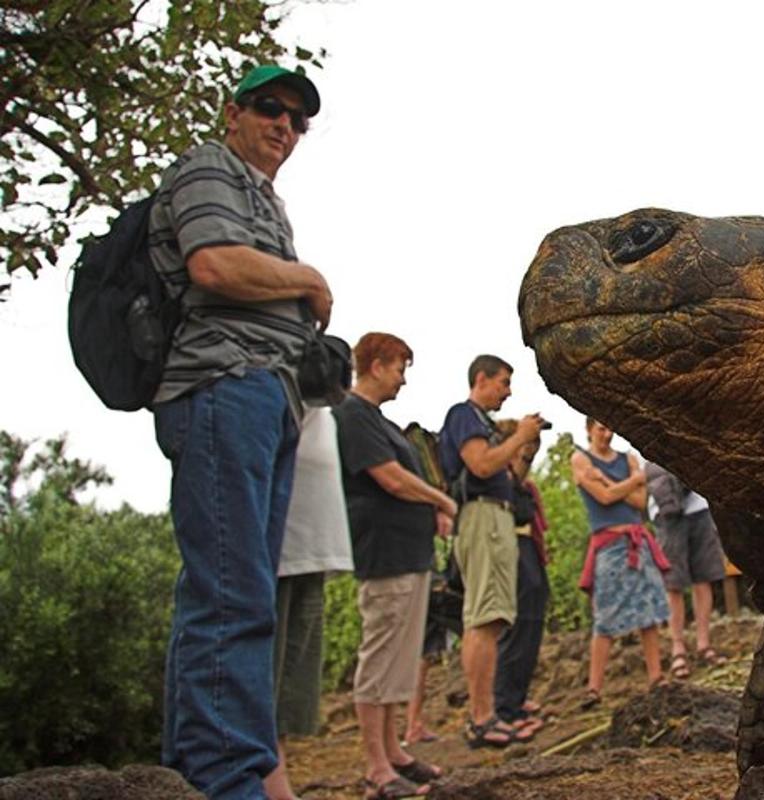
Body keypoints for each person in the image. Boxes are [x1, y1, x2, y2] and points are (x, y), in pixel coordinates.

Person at [148, 63, 332, 799]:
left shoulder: (267, 199)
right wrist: (310, 281)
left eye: (298, 119)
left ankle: (208, 766)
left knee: (233, 586)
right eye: (270, 108)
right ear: (233, 113)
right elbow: (216, 265)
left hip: (268, 396)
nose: (284, 125)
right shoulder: (206, 167)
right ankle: (228, 778)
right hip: (223, 387)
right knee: (234, 591)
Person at [333, 333, 455, 799]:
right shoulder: (351, 414)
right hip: (383, 553)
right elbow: (389, 478)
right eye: (400, 367)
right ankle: (376, 765)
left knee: (400, 658)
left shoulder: (377, 420)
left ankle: (394, 752)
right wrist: (440, 497)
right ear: (377, 364)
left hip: (409, 553)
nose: (403, 379)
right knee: (380, 655)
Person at [263, 340, 354, 800]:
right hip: (279, 548)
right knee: (268, 666)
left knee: (295, 671)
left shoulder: (321, 410)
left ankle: (278, 769)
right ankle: (267, 774)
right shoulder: (273, 387)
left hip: (315, 548)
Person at [437, 355, 543, 748]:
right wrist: (518, 434)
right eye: (504, 382)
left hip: (496, 517)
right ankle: (481, 719)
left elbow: (508, 475)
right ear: (481, 378)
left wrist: (525, 447)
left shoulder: (481, 424)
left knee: (493, 617)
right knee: (483, 616)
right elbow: (481, 465)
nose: (508, 391)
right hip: (481, 519)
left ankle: (489, 714)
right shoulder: (462, 415)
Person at [573, 418, 671, 707]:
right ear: (589, 429)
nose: (607, 433)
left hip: (637, 541)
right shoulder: (580, 459)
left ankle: (656, 676)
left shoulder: (628, 457)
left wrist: (606, 481)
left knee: (649, 611)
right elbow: (603, 498)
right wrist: (629, 482)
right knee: (605, 616)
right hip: (608, 545)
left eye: (610, 428)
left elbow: (640, 502)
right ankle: (594, 688)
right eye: (601, 428)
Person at [644, 462, 729, 680]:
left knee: (704, 578)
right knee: (674, 584)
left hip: (699, 508)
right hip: (666, 511)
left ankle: (704, 644)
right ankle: (678, 649)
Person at [492, 419, 550, 734]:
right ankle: (505, 706)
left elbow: (519, 475)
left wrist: (531, 447)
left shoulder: (515, 478)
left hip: (528, 549)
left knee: (531, 624)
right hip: (510, 548)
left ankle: (517, 698)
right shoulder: (494, 474)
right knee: (514, 629)